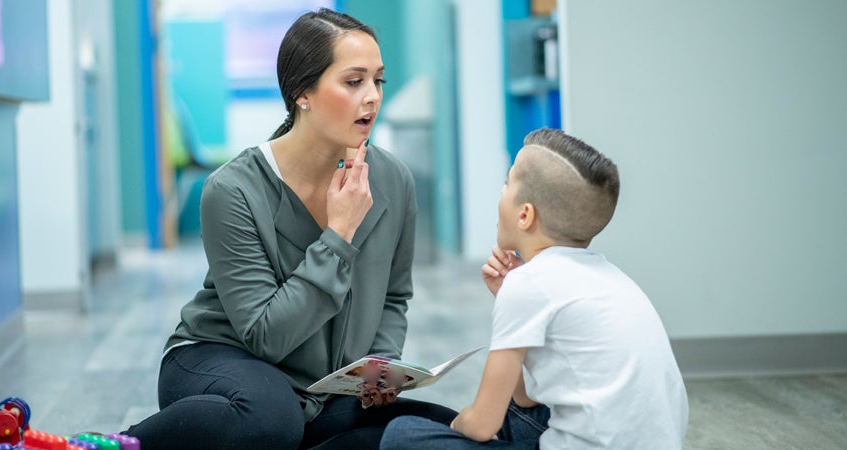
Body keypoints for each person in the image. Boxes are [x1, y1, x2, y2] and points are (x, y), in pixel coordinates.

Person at [121, 8, 455, 450]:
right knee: (270, 419)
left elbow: (394, 296)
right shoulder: (232, 189)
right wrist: (339, 234)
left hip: (320, 389)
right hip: (225, 358)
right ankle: (104, 446)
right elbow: (266, 336)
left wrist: (380, 369)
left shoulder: (394, 179)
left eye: (378, 80)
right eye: (354, 81)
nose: (372, 96)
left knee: (438, 427)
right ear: (303, 93)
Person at [380, 128, 689, 449]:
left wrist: (455, 426)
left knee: (402, 434)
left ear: (525, 215)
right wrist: (507, 297)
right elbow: (526, 400)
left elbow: (482, 425)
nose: (500, 190)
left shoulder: (530, 285)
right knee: (516, 412)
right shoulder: (609, 276)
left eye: (508, 183)